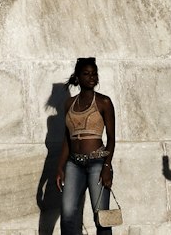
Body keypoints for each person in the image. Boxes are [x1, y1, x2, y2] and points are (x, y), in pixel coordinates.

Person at [55, 57, 116, 235]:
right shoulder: (69, 103)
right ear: (78, 77)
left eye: (94, 73)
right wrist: (60, 167)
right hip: (73, 164)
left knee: (101, 217)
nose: (91, 77)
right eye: (86, 74)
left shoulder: (104, 102)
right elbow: (67, 138)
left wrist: (107, 165)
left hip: (98, 162)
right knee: (68, 215)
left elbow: (111, 138)